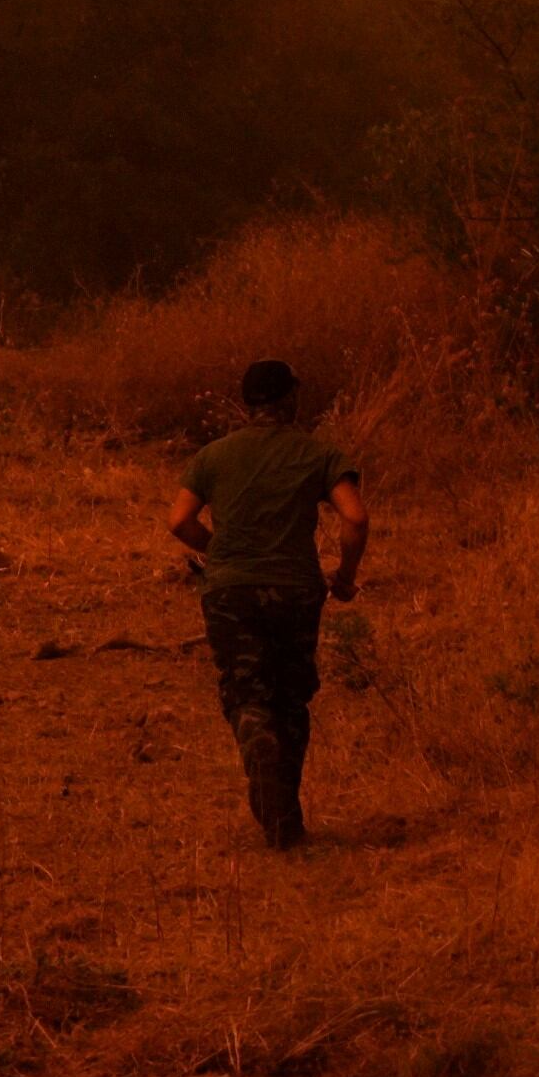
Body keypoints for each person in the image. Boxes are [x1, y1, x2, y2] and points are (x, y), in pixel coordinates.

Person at [163, 359, 365, 851]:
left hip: (231, 590)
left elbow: (179, 521)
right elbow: (356, 518)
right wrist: (344, 577)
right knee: (291, 699)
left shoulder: (213, 457)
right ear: (289, 399)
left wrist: (221, 552)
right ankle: (286, 823)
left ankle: (258, 746)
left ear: (248, 403)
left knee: (248, 692)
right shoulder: (319, 454)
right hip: (296, 589)